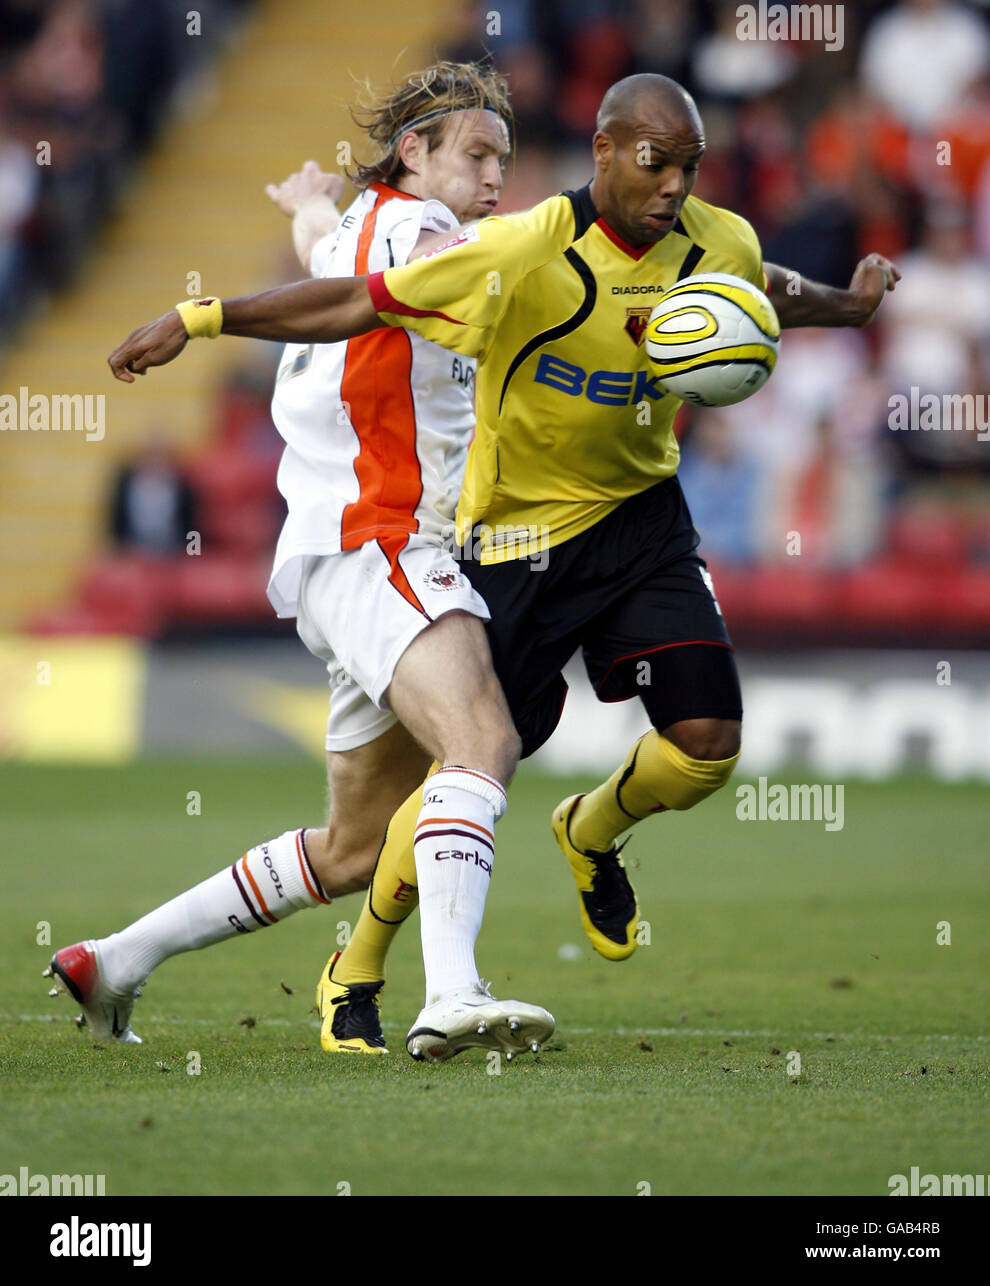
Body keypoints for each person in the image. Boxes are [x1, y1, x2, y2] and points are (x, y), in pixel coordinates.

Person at [105, 72, 900, 1057]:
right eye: (657, 162)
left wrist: (847, 306)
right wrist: (199, 319)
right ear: (605, 150)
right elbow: (357, 290)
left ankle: (590, 832)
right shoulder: (513, 248)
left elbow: (760, 283)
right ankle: (365, 962)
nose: (674, 185)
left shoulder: (710, 237)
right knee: (464, 763)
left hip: (637, 520)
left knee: (704, 742)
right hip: (505, 541)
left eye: (691, 167)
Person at [49, 62, 555, 1064]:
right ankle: (451, 992)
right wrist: (205, 317)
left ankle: (114, 958)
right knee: (483, 741)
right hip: (385, 539)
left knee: (356, 849)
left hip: (332, 560)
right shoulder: (423, 237)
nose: (496, 176)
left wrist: (314, 204)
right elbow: (353, 293)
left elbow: (334, 270)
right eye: (477, 155)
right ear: (414, 153)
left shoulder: (357, 228)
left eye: (504, 157)